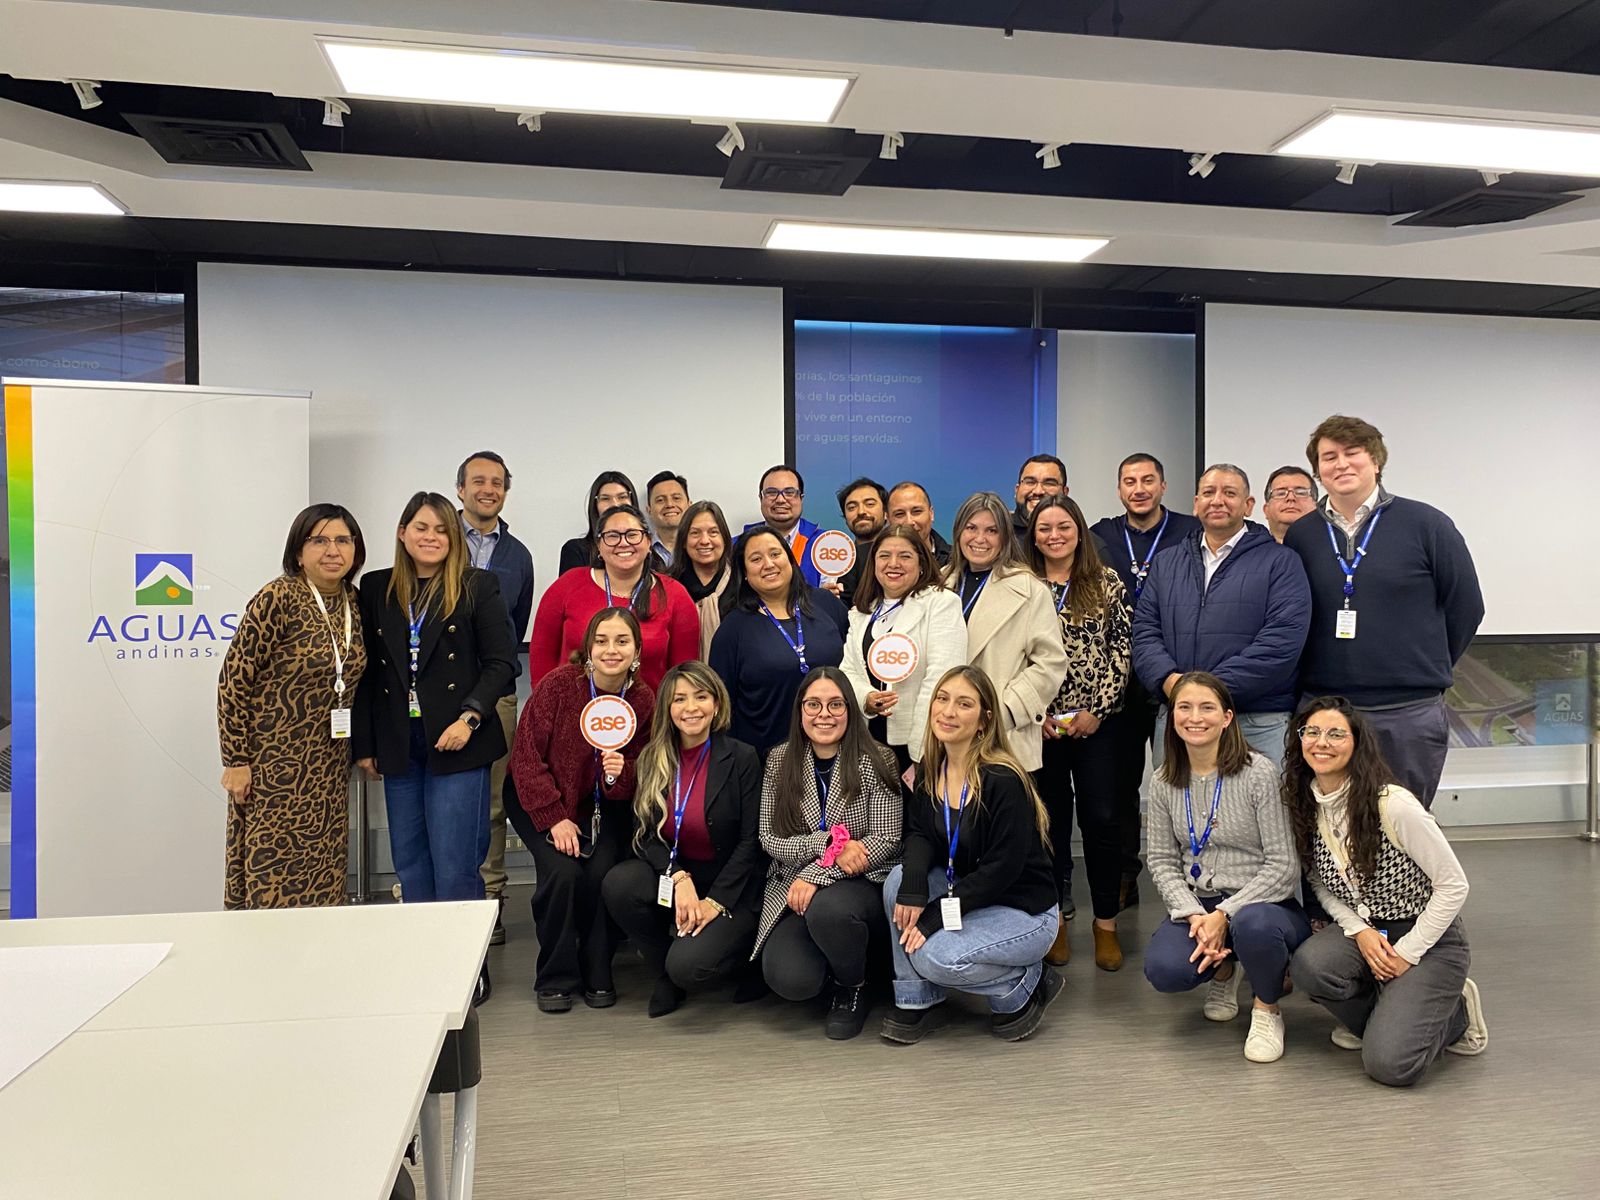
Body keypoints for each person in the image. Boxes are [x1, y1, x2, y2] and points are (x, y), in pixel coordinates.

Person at [354, 492, 516, 1002]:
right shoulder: (376, 587)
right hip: (399, 742)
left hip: (458, 740)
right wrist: (365, 744)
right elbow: (367, 674)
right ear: (402, 533)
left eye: (442, 529)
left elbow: (502, 663)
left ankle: (466, 967)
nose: (431, 537)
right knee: (410, 861)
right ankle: (423, 962)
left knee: (455, 862)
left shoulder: (477, 586)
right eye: (421, 527)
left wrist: (470, 717)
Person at [1284, 696, 1487, 1085]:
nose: (1321, 742)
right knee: (1311, 967)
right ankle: (1390, 1017)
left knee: (1390, 1066)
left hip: (1427, 938)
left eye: (1336, 734)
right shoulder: (1305, 801)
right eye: (1312, 731)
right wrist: (1358, 930)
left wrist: (1408, 952)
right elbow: (1319, 882)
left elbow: (1453, 885)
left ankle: (1456, 1017)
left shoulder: (1394, 805)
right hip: (1369, 932)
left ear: (1357, 743)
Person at [1283, 415, 1484, 808]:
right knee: (1326, 825)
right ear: (1318, 471)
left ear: (1376, 461)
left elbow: (1467, 607)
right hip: (1324, 709)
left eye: (1352, 453)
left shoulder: (1427, 524)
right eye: (1329, 457)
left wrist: (1422, 664)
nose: (1341, 464)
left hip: (1407, 711)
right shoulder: (1302, 535)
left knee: (1401, 826)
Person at [881, 666, 1062, 1044]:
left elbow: (1001, 870)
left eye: (964, 704)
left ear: (984, 720)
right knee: (897, 882)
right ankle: (917, 999)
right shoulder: (932, 768)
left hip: (1022, 910)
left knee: (935, 956)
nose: (948, 712)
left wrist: (936, 915)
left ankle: (1025, 983)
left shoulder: (1003, 779)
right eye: (942, 699)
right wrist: (914, 887)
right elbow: (919, 833)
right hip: (969, 894)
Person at [1141, 672, 1308, 1064]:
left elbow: (1284, 865)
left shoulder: (1258, 773)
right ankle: (1224, 972)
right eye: (1184, 707)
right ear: (1172, 716)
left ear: (1227, 717)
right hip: (1199, 905)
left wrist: (1224, 914)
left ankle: (1267, 1009)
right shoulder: (1164, 780)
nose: (1195, 717)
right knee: (1165, 970)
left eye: (1207, 708)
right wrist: (1194, 916)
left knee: (1253, 927)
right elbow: (1162, 861)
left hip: (1263, 906)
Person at [218, 504, 368, 910]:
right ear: (299, 552)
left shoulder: (354, 601)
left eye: (342, 540)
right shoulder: (278, 597)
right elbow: (233, 681)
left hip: (329, 766)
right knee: (273, 872)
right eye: (319, 540)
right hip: (272, 768)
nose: (332, 550)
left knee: (324, 871)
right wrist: (235, 760)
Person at [506, 608, 655, 1012]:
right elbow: (526, 758)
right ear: (588, 648)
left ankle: (597, 969)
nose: (611, 650)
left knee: (601, 874)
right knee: (563, 873)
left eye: (622, 641)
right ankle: (555, 976)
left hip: (603, 807)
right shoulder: (559, 686)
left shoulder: (643, 700)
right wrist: (554, 817)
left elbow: (643, 772)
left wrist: (621, 773)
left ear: (637, 651)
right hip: (539, 797)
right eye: (601, 641)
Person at [602, 661, 763, 1018]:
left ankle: (744, 959)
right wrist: (677, 876)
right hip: (679, 875)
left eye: (701, 697)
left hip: (730, 886)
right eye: (679, 699)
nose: (691, 707)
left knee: (690, 967)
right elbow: (645, 834)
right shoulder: (652, 758)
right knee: (619, 884)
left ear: (716, 704)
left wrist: (715, 902)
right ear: (668, 708)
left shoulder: (742, 757)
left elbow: (751, 842)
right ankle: (666, 971)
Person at [752, 668, 903, 1039]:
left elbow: (886, 839)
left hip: (861, 881)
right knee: (790, 979)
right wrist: (824, 844)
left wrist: (816, 874)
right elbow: (769, 838)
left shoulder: (878, 758)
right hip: (795, 886)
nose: (824, 714)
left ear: (850, 709)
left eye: (836, 704)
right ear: (800, 711)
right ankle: (843, 962)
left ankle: (853, 986)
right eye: (813, 705)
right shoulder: (779, 759)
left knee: (830, 911)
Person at [1132, 464, 1311, 765]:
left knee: (1263, 798)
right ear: (1196, 503)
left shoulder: (1281, 562)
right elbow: (1145, 632)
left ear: (1248, 505)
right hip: (1180, 718)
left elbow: (1282, 641)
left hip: (1256, 721)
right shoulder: (1166, 562)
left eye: (1229, 493)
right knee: (1176, 797)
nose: (1217, 500)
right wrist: (1169, 681)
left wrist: (1204, 692)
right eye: (1208, 492)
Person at [1089, 452, 1203, 909]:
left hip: (1172, 676)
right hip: (1117, 683)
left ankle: (1194, 879)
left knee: (1183, 781)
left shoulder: (1190, 531)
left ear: (1163, 486)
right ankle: (1125, 875)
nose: (1139, 489)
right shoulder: (1100, 535)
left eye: (1148, 480)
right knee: (1118, 788)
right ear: (1119, 489)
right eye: (1130, 481)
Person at [1026, 496, 1131, 971]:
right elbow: (1013, 655)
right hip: (1040, 726)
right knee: (1048, 824)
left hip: (1096, 726)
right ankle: (1055, 923)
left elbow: (1121, 650)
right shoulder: (1021, 585)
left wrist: (1097, 710)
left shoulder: (1105, 581)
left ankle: (1105, 924)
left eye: (1063, 526)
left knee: (1103, 821)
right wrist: (1035, 713)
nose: (1054, 535)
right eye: (1044, 528)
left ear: (1079, 530)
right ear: (1033, 536)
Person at [457, 450, 536, 946]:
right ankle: (444, 900)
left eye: (498, 483)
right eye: (479, 481)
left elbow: (514, 626)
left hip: (496, 694)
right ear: (460, 489)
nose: (488, 490)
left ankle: (489, 902)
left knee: (491, 803)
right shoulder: (436, 539)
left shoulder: (518, 555)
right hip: (433, 693)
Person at [942, 492, 1067, 775]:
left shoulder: (1030, 589)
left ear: (1005, 537)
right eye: (971, 528)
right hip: (946, 731)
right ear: (958, 532)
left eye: (992, 530)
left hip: (1003, 735)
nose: (980, 538)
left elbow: (1050, 664)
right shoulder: (938, 583)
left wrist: (1004, 712)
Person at [708, 526, 850, 755]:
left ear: (790, 559)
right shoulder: (733, 630)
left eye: (775, 554)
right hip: (765, 756)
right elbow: (722, 706)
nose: (769, 564)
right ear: (744, 572)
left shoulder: (826, 603)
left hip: (837, 749)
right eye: (756, 559)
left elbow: (855, 663)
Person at [528, 504, 700, 692]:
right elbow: (541, 658)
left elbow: (684, 673)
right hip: (571, 707)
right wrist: (545, 703)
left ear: (649, 542)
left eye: (632, 534)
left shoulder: (675, 595)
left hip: (649, 708)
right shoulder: (567, 586)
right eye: (612, 536)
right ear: (599, 546)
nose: (623, 543)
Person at [839, 524, 966, 777]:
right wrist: (867, 698)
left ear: (922, 563)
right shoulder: (862, 611)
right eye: (884, 556)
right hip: (868, 741)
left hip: (919, 743)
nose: (893, 564)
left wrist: (922, 751)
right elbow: (848, 670)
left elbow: (942, 678)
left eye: (905, 556)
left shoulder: (941, 603)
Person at [665, 499, 734, 657]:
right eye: (695, 533)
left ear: (724, 538)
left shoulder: (742, 583)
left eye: (713, 532)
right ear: (684, 541)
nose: (704, 541)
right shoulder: (668, 587)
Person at [745, 464, 824, 586]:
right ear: (761, 498)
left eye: (789, 492)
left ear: (801, 499)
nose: (780, 500)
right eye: (771, 492)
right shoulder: (738, 546)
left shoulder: (825, 543)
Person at [558, 470, 639, 575]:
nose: (615, 504)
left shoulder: (645, 549)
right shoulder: (576, 550)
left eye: (622, 497)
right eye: (605, 498)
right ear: (595, 505)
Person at [834, 476, 888, 600]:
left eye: (870, 504)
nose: (861, 512)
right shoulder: (840, 563)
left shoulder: (902, 557)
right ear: (845, 518)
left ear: (886, 513)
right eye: (852, 507)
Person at [1010, 453, 1067, 552]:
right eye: (1030, 482)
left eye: (1049, 483)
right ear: (1017, 490)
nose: (1038, 491)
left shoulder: (1081, 540)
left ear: (1065, 493)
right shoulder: (998, 533)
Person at [887, 480, 952, 565]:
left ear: (931, 514)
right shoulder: (874, 562)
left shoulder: (957, 561)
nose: (909, 522)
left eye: (917, 511)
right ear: (888, 520)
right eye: (900, 514)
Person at [1262, 466, 1318, 543]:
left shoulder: (1332, 545)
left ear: (1316, 508)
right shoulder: (1251, 548)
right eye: (1281, 493)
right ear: (1266, 510)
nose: (1291, 498)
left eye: (1300, 493)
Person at [645, 470, 690, 567]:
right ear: (649, 510)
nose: (669, 504)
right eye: (660, 500)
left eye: (676, 498)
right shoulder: (640, 549)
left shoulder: (701, 546)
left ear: (689, 505)